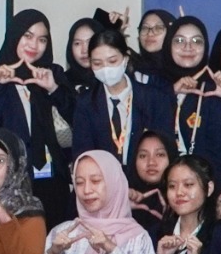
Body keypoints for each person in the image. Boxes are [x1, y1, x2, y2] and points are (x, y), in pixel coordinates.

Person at [0, 10, 70, 218]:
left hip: (53, 182)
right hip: (9, 184)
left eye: (42, 39)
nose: (34, 45)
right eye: (27, 36)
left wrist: (53, 89)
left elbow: (77, 119)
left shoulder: (53, 74)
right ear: (14, 35)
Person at [69, 29, 170, 170]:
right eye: (97, 63)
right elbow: (83, 153)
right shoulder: (86, 103)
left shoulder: (154, 98)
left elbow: (165, 150)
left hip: (145, 179)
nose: (106, 69)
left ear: (125, 58)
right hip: (103, 179)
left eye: (112, 61)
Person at [162, 18, 221, 175]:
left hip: (199, 183)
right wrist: (170, 94)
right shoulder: (154, 86)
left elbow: (220, 157)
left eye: (196, 41)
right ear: (168, 45)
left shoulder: (214, 92)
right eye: (179, 41)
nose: (188, 47)